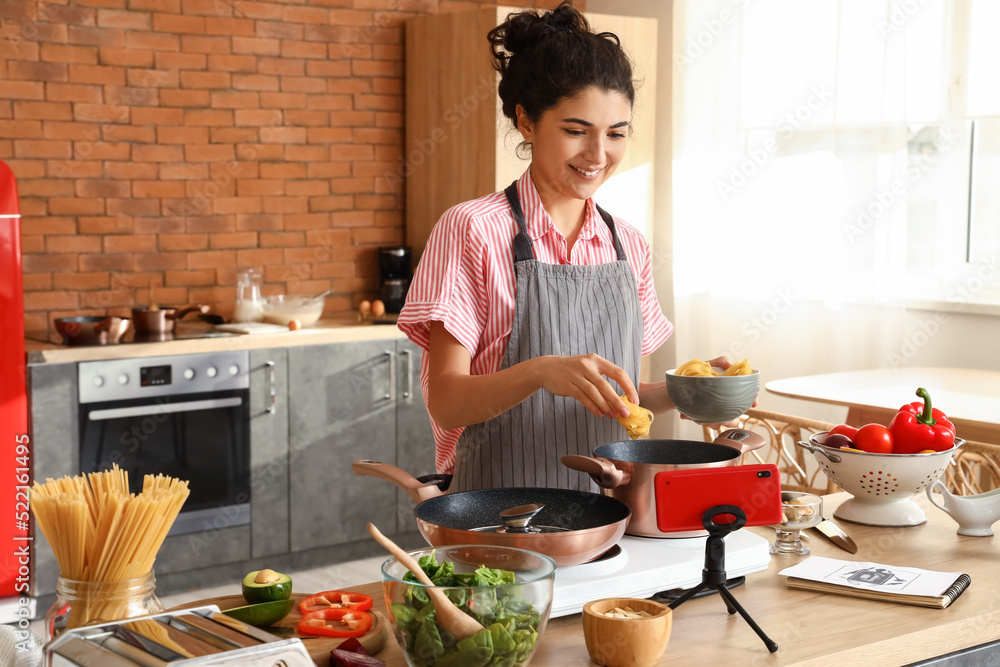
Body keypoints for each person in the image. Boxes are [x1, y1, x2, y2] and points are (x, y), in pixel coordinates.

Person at [398, 1, 680, 493]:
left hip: (610, 512)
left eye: (616, 134)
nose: (598, 155)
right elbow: (446, 401)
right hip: (496, 512)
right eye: (576, 131)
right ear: (526, 122)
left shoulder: (627, 244)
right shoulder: (473, 230)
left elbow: (624, 400)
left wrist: (687, 392)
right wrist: (540, 372)